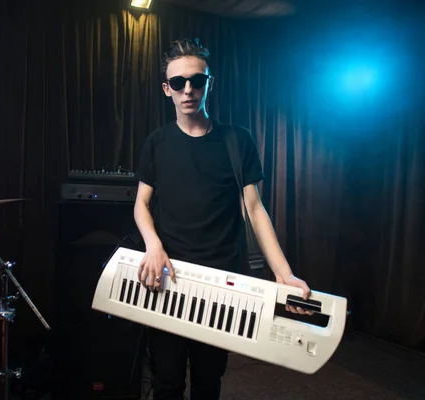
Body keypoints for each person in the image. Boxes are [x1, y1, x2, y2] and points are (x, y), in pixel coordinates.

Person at [133, 37, 313, 400]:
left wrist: (283, 272)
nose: (188, 90)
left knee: (208, 380)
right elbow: (141, 204)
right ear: (167, 89)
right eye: (179, 82)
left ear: (208, 83)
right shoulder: (157, 142)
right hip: (167, 278)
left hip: (222, 282)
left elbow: (255, 208)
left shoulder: (237, 140)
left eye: (197, 81)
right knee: (165, 380)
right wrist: (153, 246)